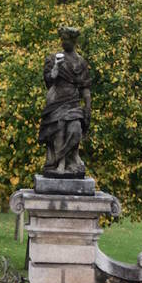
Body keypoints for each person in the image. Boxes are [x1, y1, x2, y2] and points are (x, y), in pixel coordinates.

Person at [38, 27, 91, 178]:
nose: (63, 42)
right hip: (56, 100)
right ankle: (59, 163)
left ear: (74, 41)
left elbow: (85, 88)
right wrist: (54, 70)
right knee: (59, 129)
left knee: (75, 129)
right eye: (61, 39)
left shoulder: (81, 62)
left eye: (66, 39)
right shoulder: (53, 58)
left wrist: (88, 107)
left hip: (73, 102)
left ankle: (71, 160)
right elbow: (48, 81)